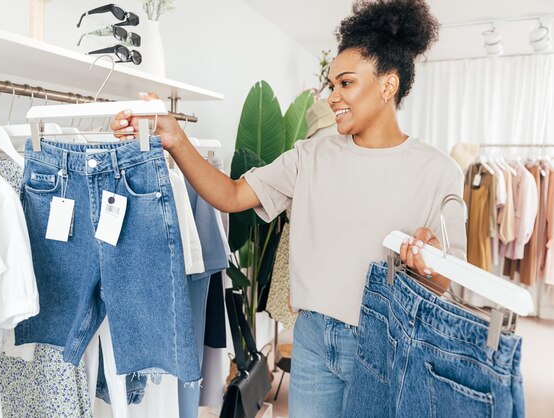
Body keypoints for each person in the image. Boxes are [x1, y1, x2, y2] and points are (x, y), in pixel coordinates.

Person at [112, 0, 466, 416]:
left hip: (383, 341)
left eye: (345, 84)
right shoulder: (310, 155)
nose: (332, 97)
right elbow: (230, 195)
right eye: (331, 85)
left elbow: (448, 280)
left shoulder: (438, 171)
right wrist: (173, 138)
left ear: (388, 86)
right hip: (313, 336)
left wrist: (427, 260)